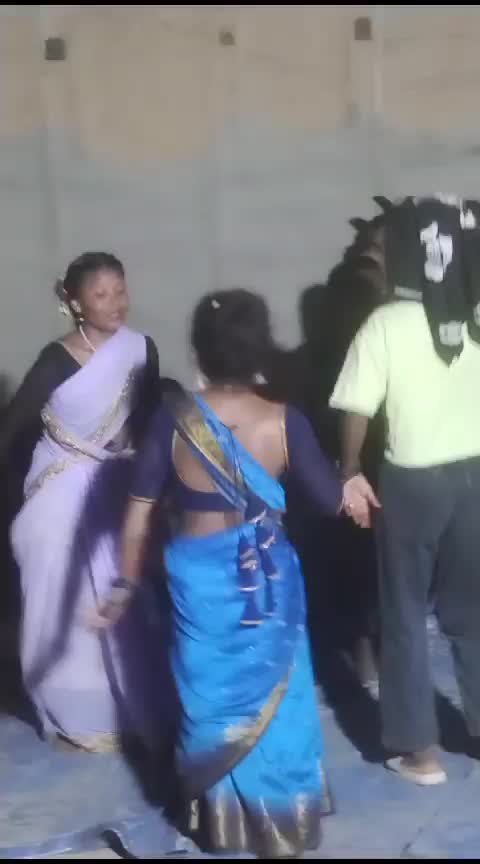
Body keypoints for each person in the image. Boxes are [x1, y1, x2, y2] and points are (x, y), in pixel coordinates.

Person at [97, 288, 345, 858]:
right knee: (279, 703)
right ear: (261, 349)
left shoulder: (174, 418)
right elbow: (328, 500)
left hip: (198, 581)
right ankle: (283, 824)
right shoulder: (285, 420)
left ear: (200, 350)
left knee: (209, 701)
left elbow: (137, 513)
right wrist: (348, 485)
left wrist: (126, 582)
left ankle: (223, 824)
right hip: (268, 583)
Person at [330, 195, 480, 785]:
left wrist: (349, 471)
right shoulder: (474, 314)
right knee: (473, 614)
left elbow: (356, 407)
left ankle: (420, 753)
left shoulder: (387, 323)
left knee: (404, 614)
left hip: (414, 483)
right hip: (475, 476)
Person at [1, 251, 164, 752]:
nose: (115, 303)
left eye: (120, 290)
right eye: (101, 294)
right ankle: (76, 715)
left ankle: (129, 707)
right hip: (59, 494)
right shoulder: (56, 359)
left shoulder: (140, 348)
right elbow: (11, 427)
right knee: (65, 609)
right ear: (75, 302)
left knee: (125, 603)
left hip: (118, 489)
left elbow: (151, 422)